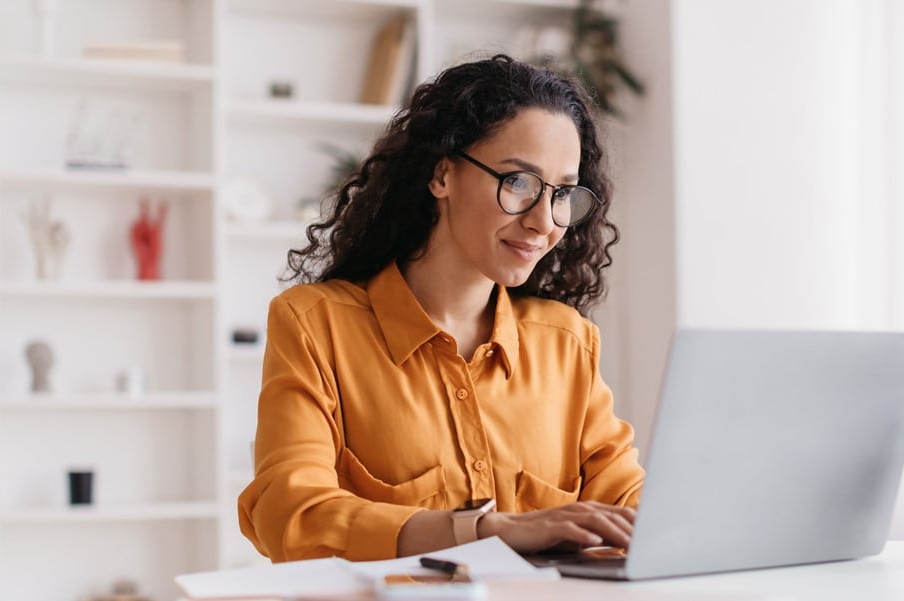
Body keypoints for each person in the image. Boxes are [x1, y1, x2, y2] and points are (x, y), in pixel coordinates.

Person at [237, 55, 644, 562]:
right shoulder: (316, 324)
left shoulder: (567, 341)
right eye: (518, 181)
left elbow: (630, 508)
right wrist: (484, 531)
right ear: (442, 175)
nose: (545, 221)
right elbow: (290, 513)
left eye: (562, 192)